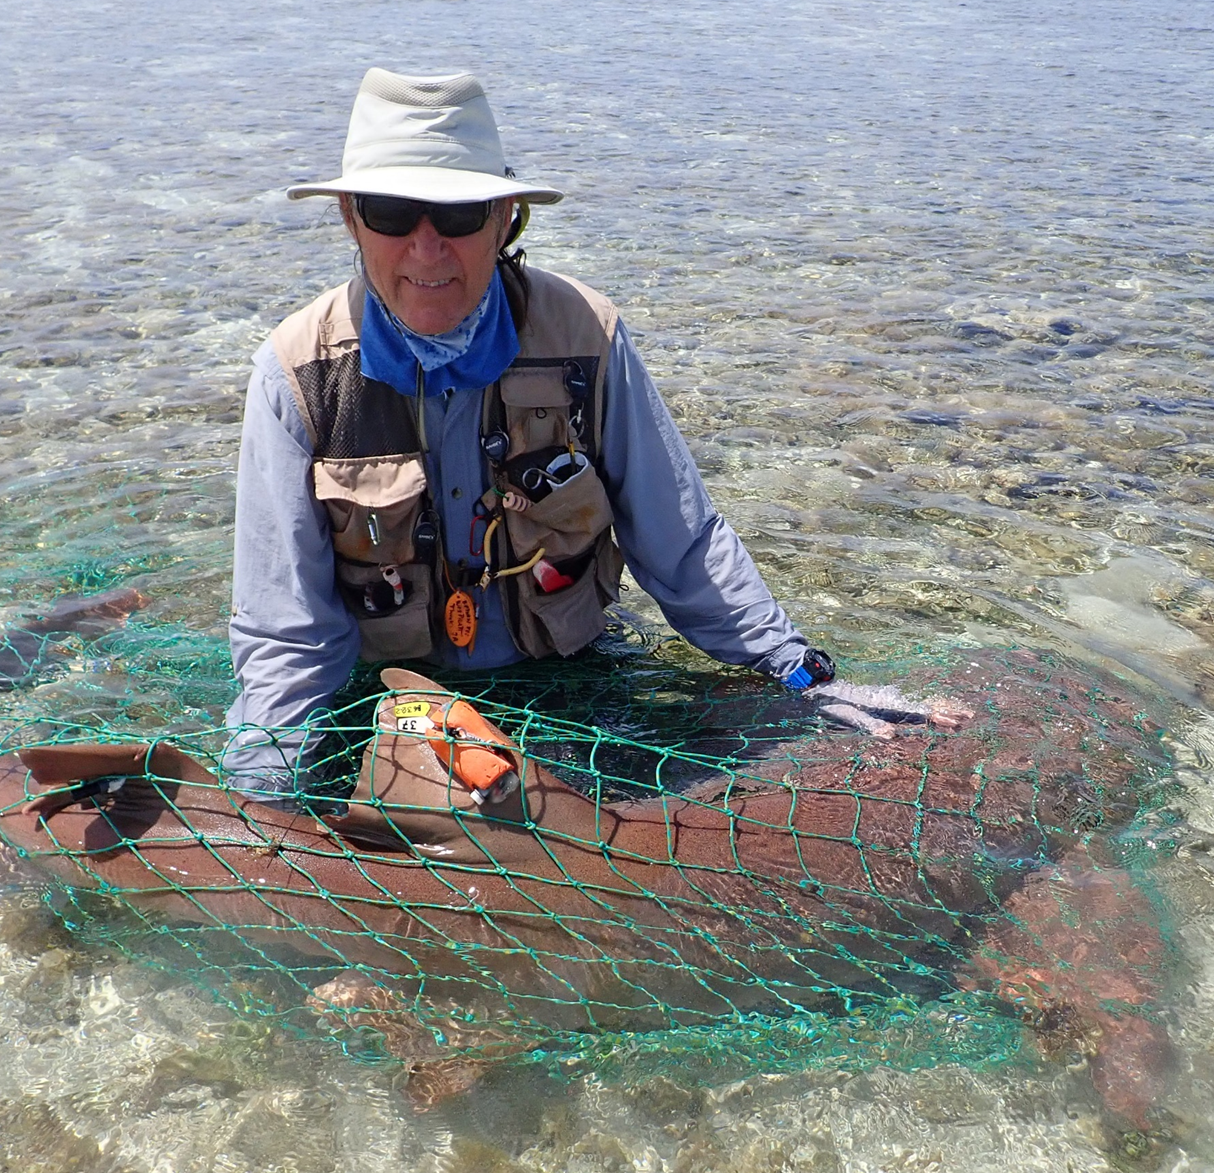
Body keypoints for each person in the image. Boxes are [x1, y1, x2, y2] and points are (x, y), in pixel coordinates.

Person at [223, 68, 890, 794]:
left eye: (456, 215)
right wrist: (263, 799)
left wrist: (799, 672)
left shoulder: (586, 337)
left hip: (568, 682)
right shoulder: (295, 372)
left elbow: (681, 543)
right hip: (383, 703)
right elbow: (287, 634)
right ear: (349, 217)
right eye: (391, 211)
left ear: (506, 217)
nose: (425, 247)